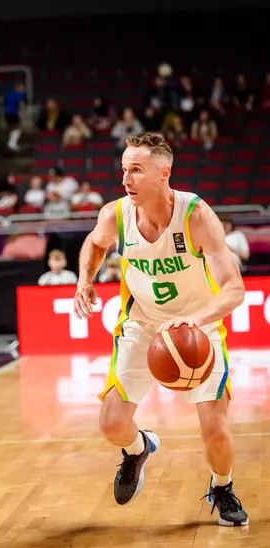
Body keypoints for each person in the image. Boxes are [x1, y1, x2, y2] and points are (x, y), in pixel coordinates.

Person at [74, 132, 248, 527]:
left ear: (163, 172)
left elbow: (235, 290)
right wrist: (85, 278)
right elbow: (95, 242)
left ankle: (222, 487)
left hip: (197, 327)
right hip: (141, 325)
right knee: (111, 424)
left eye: (136, 170)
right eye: (123, 170)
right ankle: (138, 449)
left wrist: (197, 320)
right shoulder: (115, 215)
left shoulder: (196, 216)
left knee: (215, 430)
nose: (125, 179)